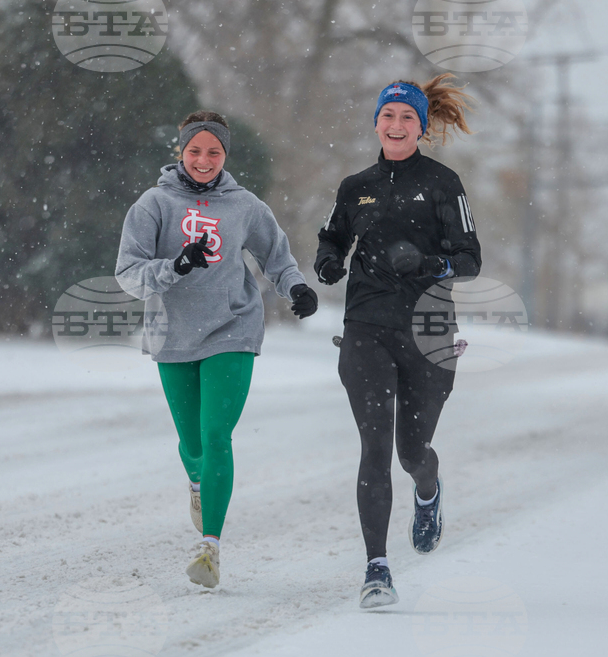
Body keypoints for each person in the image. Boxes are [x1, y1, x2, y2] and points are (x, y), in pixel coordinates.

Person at [115, 110, 318, 589]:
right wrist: (173, 267)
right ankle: (198, 483)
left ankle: (210, 547)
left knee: (216, 435)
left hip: (233, 328)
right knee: (192, 445)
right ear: (180, 152)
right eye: (195, 150)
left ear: (225, 155)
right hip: (172, 334)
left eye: (214, 151)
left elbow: (278, 257)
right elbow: (128, 272)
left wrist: (296, 289)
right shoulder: (153, 204)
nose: (204, 159)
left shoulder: (245, 206)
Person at [315, 75, 481, 608]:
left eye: (407, 117)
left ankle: (427, 490)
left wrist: (431, 263)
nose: (397, 124)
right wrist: (328, 259)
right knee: (374, 447)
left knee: (412, 452)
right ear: (377, 122)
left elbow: (471, 260)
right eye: (388, 115)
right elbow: (334, 234)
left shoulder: (443, 184)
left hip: (429, 331)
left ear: (421, 126)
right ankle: (377, 569)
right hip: (366, 326)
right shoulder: (355, 185)